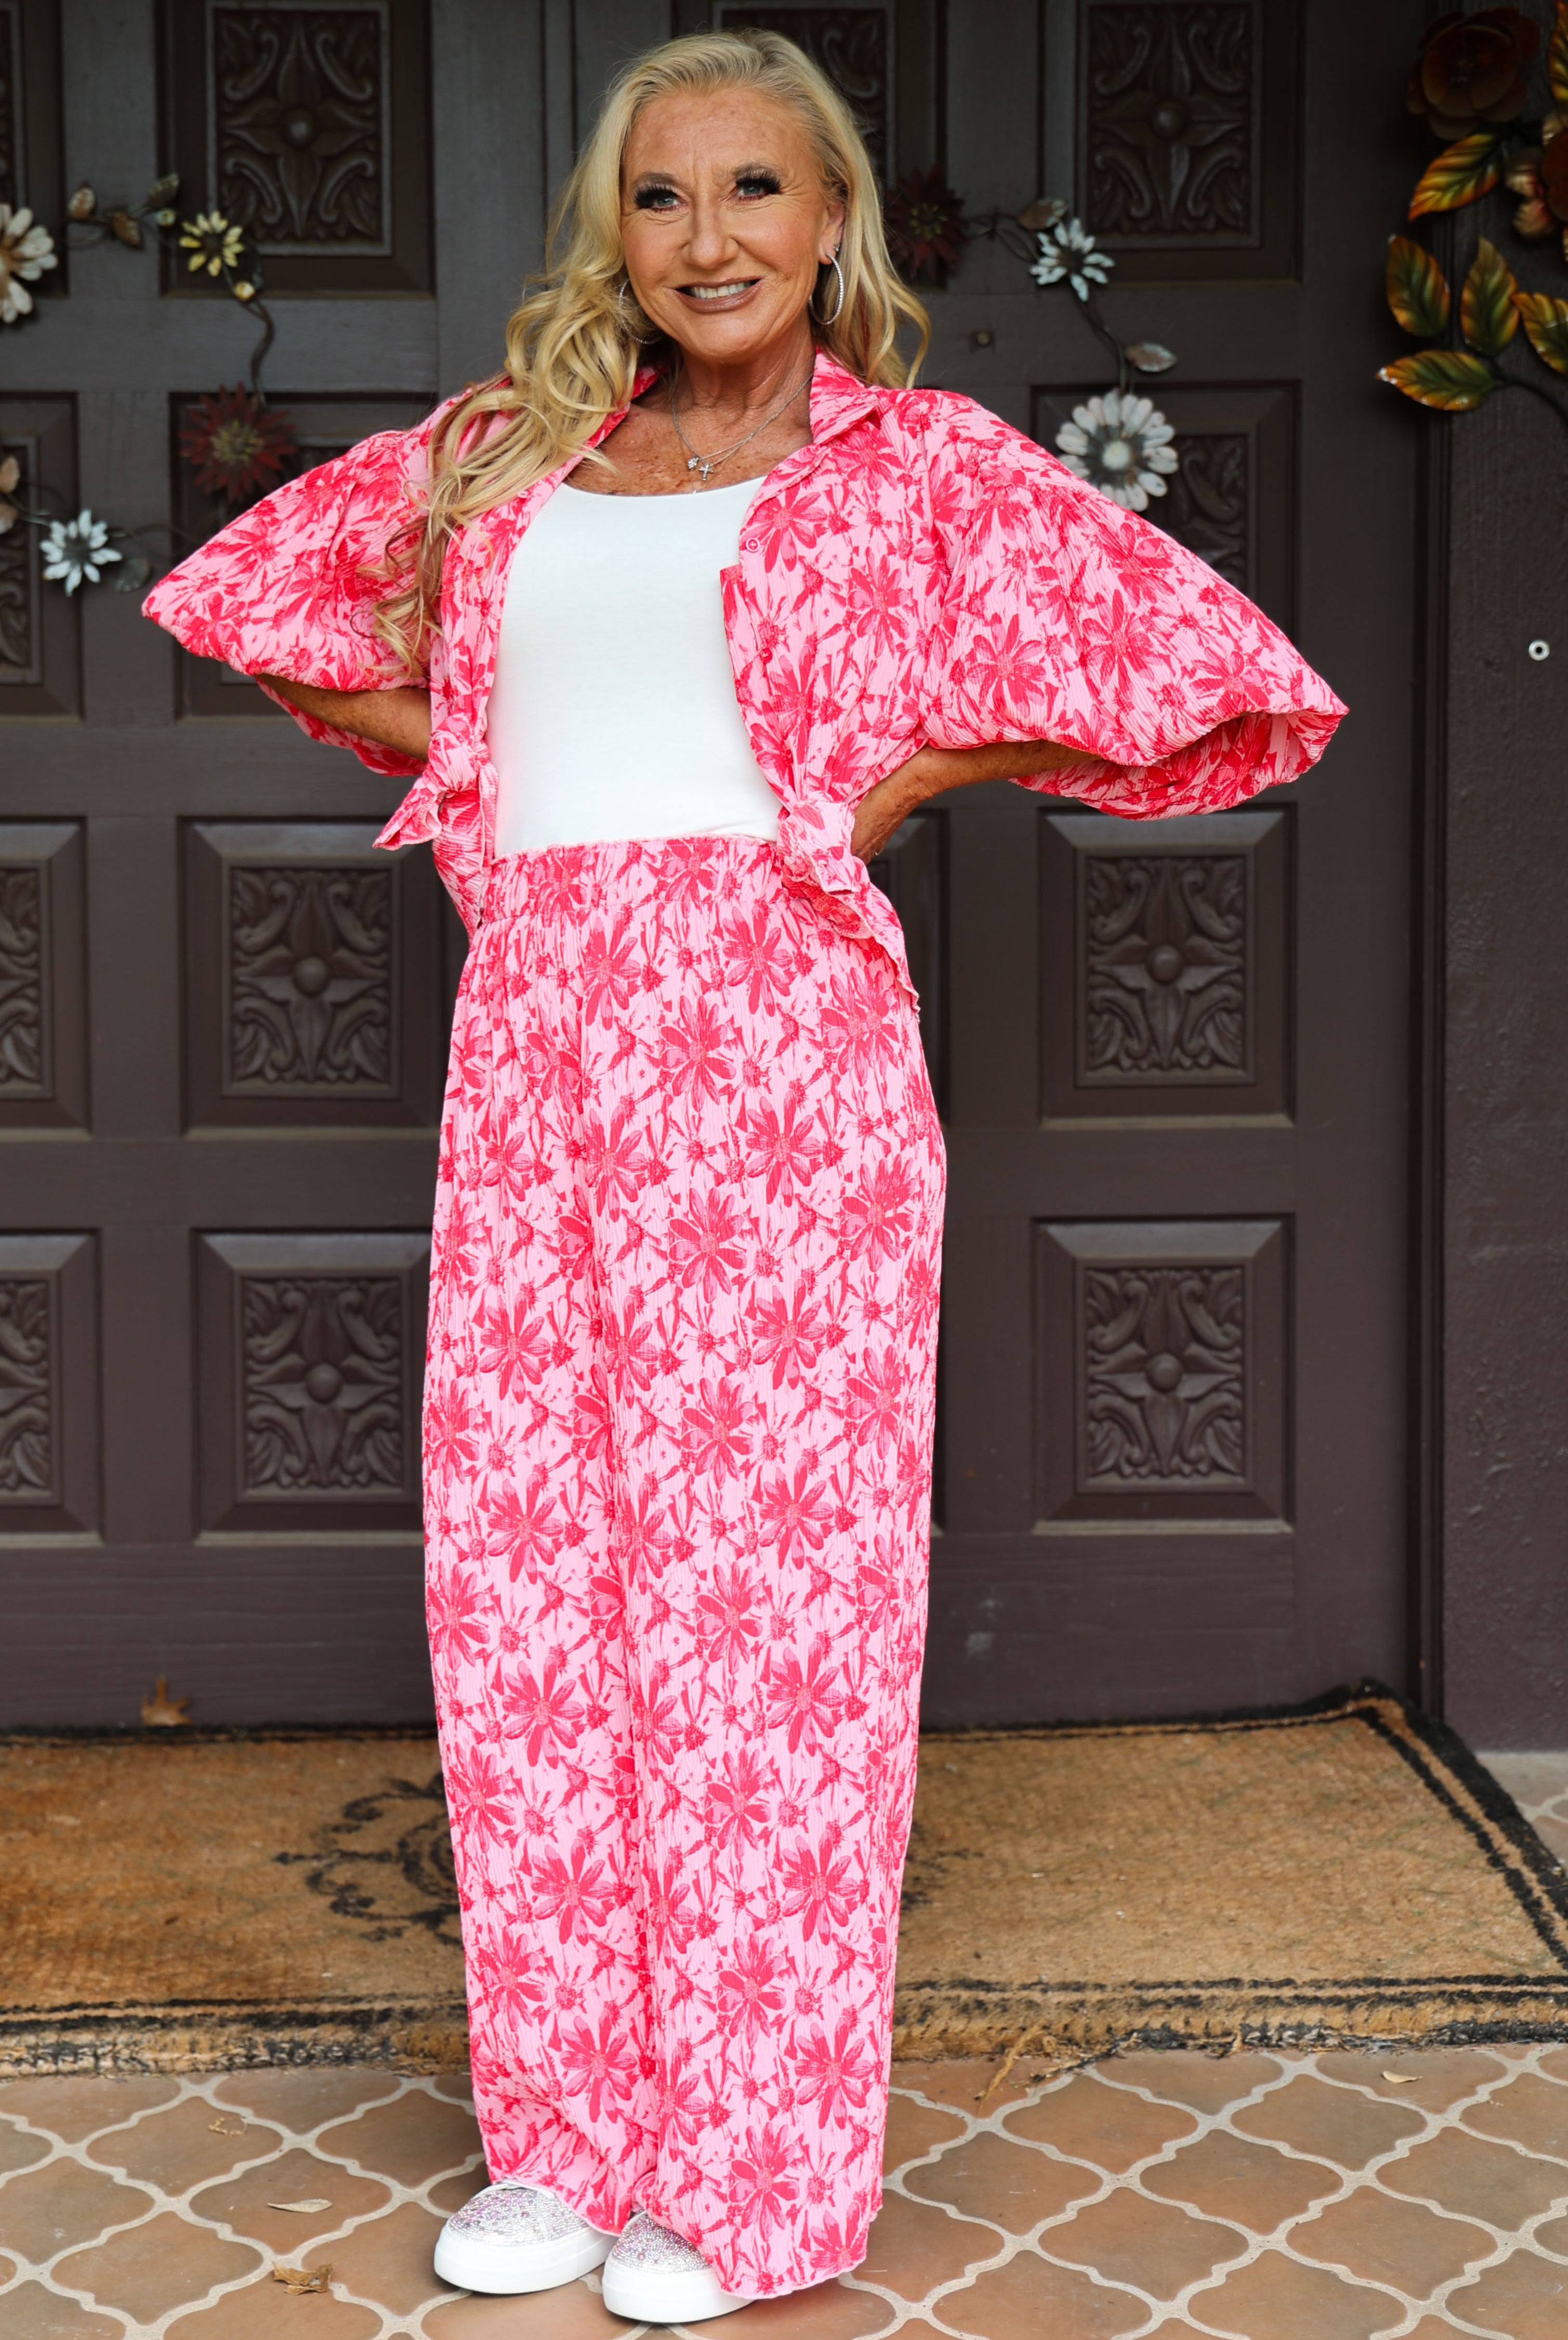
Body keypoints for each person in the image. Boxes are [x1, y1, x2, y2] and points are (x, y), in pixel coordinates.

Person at [144, 26, 1343, 2323]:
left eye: (755, 194)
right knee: (532, 1596)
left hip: (778, 1055)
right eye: (664, 196)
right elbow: (256, 604)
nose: (709, 240)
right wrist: (491, 754)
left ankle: (755, 2177)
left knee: (766, 1626)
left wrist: (889, 780)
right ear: (619, 228)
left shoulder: (917, 469)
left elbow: (1210, 669)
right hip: (537, 1055)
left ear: (829, 226)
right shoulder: (514, 459)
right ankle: (565, 2140)